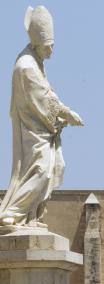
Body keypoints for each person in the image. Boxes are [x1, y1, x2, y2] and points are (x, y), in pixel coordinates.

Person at [0, 6, 83, 228]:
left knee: (43, 170)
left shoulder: (35, 62)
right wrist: (65, 114)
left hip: (39, 129)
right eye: (49, 46)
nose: (52, 50)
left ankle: (29, 216)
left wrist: (65, 111)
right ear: (38, 43)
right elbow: (43, 100)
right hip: (32, 130)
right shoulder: (26, 67)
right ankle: (12, 212)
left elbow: (47, 93)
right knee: (42, 171)